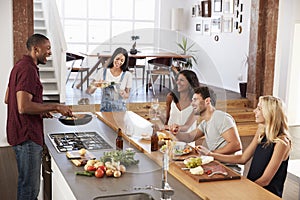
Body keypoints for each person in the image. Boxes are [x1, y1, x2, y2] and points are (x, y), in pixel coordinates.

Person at [4, 33, 73, 200]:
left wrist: (40, 110)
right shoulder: (28, 70)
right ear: (36, 49)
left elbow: (8, 98)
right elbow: (23, 106)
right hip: (27, 136)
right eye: (47, 48)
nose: (50, 52)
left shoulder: (19, 66)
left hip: (18, 132)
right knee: (29, 190)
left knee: (25, 184)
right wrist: (56, 106)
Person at [197, 95, 292, 197]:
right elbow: (243, 158)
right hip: (253, 189)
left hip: (265, 195)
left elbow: (265, 181)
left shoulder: (281, 143)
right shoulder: (261, 132)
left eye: (259, 108)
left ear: (270, 113)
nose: (254, 111)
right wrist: (211, 155)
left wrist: (242, 192)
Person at [172, 86, 242, 155]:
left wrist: (209, 154)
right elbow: (189, 137)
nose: (192, 104)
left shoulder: (220, 117)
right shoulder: (205, 123)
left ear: (207, 101)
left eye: (195, 100)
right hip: (216, 161)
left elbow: (236, 145)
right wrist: (175, 133)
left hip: (229, 165)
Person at [86, 47, 133, 112]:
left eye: (122, 60)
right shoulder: (102, 71)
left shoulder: (127, 75)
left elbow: (127, 95)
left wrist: (124, 94)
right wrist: (97, 84)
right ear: (113, 57)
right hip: (105, 111)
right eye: (117, 59)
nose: (119, 62)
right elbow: (89, 91)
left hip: (121, 112)